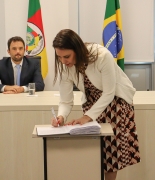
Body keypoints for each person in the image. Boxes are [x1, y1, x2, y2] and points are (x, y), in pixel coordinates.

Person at [51, 29, 140, 180]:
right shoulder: (65, 66)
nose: (63, 61)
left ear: (77, 50)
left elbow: (109, 93)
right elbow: (66, 100)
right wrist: (61, 116)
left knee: (111, 152)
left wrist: (87, 117)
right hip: (92, 103)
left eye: (67, 56)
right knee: (94, 150)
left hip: (115, 100)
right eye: (59, 57)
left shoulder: (102, 55)